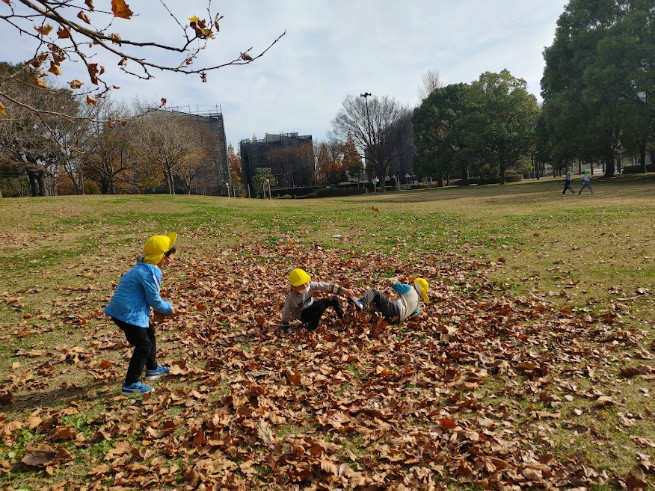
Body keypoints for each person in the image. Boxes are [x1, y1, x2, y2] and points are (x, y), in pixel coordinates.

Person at [104, 233, 177, 395]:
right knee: (143, 345)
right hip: (127, 314)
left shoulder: (142, 266)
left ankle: (152, 369)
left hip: (122, 310)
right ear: (163, 257)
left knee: (149, 332)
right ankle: (130, 384)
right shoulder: (151, 271)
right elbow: (154, 300)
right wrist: (169, 309)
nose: (172, 260)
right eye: (171, 257)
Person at [281, 268, 354, 333]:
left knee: (333, 299)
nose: (305, 286)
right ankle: (311, 327)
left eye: (305, 283)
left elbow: (326, 286)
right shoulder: (291, 297)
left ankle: (342, 318)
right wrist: (286, 326)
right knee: (320, 306)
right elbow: (286, 312)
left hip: (312, 306)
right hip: (303, 314)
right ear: (294, 287)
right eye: (301, 285)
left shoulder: (310, 285)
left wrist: (344, 290)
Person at [348, 277, 429, 325]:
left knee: (374, 293)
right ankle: (365, 311)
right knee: (377, 306)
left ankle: (361, 303)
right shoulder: (417, 304)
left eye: (412, 282)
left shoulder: (409, 289)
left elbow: (393, 284)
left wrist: (395, 279)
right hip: (396, 320)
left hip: (393, 309)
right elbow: (415, 314)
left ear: (414, 285)